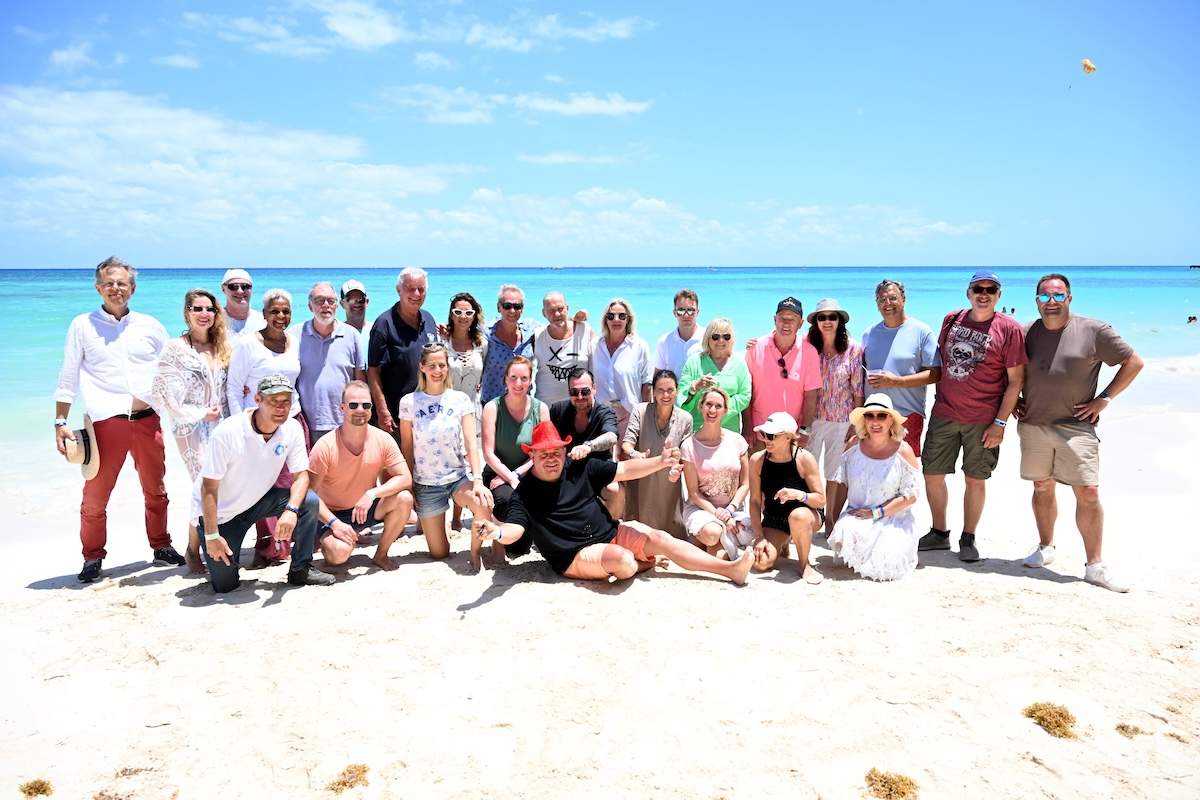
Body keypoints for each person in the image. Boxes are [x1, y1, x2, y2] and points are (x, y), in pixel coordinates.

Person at [473, 421, 755, 585]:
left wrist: (660, 461)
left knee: (661, 538)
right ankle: (645, 562)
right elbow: (516, 529)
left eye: (556, 452)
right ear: (532, 456)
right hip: (573, 555)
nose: (551, 458)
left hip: (611, 533)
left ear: (564, 451)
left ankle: (730, 570)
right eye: (543, 453)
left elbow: (624, 470)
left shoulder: (578, 466)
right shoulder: (525, 492)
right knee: (623, 560)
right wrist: (495, 532)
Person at [55, 257, 183, 583]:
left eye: (122, 283)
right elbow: (68, 376)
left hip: (147, 420)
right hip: (105, 425)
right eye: (109, 283)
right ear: (98, 288)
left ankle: (161, 546)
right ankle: (92, 557)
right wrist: (60, 422)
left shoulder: (150, 325)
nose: (116, 288)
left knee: (156, 491)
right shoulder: (82, 326)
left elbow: (174, 365)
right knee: (96, 496)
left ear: (133, 288)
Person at [1014, 274, 1143, 592]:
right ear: (1037, 302)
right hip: (1033, 424)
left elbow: (1133, 362)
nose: (1051, 302)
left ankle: (1095, 566)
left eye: (1058, 296)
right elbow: (1008, 370)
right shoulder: (1025, 332)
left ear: (1069, 298)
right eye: (1045, 297)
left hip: (1077, 427)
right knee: (1042, 487)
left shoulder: (1094, 330)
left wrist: (1104, 399)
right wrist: (1011, 401)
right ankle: (1046, 548)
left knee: (1088, 492)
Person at [918, 271, 1027, 562]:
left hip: (984, 419)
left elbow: (1016, 380)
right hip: (944, 413)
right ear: (968, 293)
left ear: (999, 295)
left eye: (991, 290)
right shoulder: (952, 320)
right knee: (932, 474)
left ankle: (969, 537)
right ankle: (939, 532)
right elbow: (941, 362)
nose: (984, 294)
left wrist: (1000, 422)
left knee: (975, 478)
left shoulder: (1010, 329)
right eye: (978, 288)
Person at [197, 374, 335, 592]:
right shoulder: (227, 432)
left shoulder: (292, 428)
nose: (281, 408)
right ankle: (198, 547)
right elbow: (208, 488)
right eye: (273, 401)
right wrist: (212, 535)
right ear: (257, 400)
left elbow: (302, 477)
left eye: (286, 401)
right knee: (225, 586)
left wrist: (290, 511)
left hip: (258, 501)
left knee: (308, 501)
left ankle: (301, 569)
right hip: (223, 515)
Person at [152, 288, 232, 574]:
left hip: (222, 426)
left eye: (209, 309)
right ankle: (193, 548)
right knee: (203, 485)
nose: (204, 314)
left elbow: (228, 387)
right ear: (187, 312)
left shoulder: (222, 345)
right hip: (190, 428)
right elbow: (165, 397)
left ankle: (212, 541)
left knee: (221, 485)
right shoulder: (175, 348)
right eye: (197, 308)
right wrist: (200, 414)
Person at [226, 288, 306, 568]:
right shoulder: (249, 344)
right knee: (263, 485)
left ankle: (287, 540)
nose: (281, 316)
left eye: (285, 311)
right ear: (264, 314)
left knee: (290, 483)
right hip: (259, 426)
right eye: (275, 311)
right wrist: (242, 427)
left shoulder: (293, 342)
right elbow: (234, 387)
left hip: (293, 420)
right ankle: (268, 547)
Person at [398, 343, 493, 571]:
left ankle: (474, 550)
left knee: (482, 502)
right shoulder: (408, 402)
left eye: (442, 365)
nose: (438, 370)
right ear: (422, 367)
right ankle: (441, 529)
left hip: (457, 478)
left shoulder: (459, 399)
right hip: (427, 484)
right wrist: (408, 482)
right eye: (432, 365)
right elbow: (407, 447)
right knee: (439, 554)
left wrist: (478, 480)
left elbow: (471, 442)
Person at [308, 381, 415, 571]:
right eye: (353, 405)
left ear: (371, 409)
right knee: (339, 554)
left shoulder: (382, 439)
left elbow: (405, 478)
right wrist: (335, 523)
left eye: (366, 405)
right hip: (332, 514)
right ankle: (329, 542)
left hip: (366, 508)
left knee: (404, 498)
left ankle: (381, 555)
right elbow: (308, 494)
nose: (360, 410)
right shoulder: (325, 446)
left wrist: (371, 494)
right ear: (342, 407)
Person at [827, 394, 922, 581]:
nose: (875, 421)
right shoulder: (853, 445)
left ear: (891, 420)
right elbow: (843, 486)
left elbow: (911, 496)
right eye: (870, 416)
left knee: (885, 566)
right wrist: (834, 519)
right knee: (843, 532)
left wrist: (876, 512)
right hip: (859, 515)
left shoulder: (904, 451)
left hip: (893, 519)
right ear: (864, 420)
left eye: (882, 416)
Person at [861, 279, 942, 456]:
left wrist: (896, 382)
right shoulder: (869, 333)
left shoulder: (922, 331)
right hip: (873, 415)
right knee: (873, 469)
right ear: (877, 305)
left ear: (903, 299)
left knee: (906, 472)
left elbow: (936, 374)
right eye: (882, 300)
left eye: (892, 298)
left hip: (907, 414)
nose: (887, 304)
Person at [804, 298, 864, 538]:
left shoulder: (854, 348)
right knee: (807, 470)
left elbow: (858, 389)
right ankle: (810, 517)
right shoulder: (808, 346)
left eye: (832, 317)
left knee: (834, 474)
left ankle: (830, 521)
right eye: (822, 317)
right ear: (815, 322)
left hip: (842, 420)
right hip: (813, 418)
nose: (827, 321)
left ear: (840, 320)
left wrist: (857, 424)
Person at [481, 356, 549, 558]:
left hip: (528, 472)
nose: (518, 383)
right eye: (513, 377)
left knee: (521, 548)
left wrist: (515, 475)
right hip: (496, 475)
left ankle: (527, 539)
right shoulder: (492, 408)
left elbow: (542, 452)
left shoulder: (541, 409)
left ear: (530, 381)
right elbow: (488, 453)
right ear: (505, 379)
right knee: (505, 499)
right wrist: (509, 478)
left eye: (524, 378)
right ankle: (499, 542)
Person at [746, 412, 825, 582]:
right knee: (760, 563)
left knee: (797, 516)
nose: (766, 439)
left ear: (788, 437)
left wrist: (798, 495)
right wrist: (759, 536)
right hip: (774, 517)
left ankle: (805, 564)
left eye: (771, 436)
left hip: (807, 514)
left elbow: (820, 499)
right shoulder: (757, 460)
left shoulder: (804, 459)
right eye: (763, 434)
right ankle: (782, 543)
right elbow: (754, 501)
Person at [620, 369, 693, 539]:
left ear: (676, 391)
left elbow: (685, 456)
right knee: (639, 531)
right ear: (653, 392)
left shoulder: (686, 419)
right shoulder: (640, 411)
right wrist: (635, 455)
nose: (665, 395)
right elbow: (626, 445)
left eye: (670, 390)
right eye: (660, 390)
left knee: (672, 534)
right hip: (641, 478)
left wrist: (677, 464)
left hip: (669, 482)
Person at [368, 267, 439, 440]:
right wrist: (382, 411)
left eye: (421, 289)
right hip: (396, 417)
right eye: (410, 288)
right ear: (398, 290)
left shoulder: (428, 319)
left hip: (428, 414)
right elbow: (373, 372)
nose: (416, 293)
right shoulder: (384, 324)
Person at [744, 297, 822, 451]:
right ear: (775, 320)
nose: (786, 323)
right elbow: (747, 390)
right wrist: (747, 426)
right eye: (782, 318)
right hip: (760, 434)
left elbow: (811, 394)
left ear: (800, 324)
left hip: (791, 435)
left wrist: (805, 430)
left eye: (792, 319)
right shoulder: (755, 348)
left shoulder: (810, 352)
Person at [293, 282, 366, 444]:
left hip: (345, 422)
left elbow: (360, 381)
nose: (326, 305)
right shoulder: (294, 335)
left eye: (331, 301)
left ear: (337, 306)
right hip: (306, 423)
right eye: (319, 301)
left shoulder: (352, 335)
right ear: (310, 306)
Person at [681, 387, 750, 553]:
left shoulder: (738, 441)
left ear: (726, 410)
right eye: (708, 404)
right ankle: (706, 538)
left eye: (718, 406)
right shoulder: (689, 445)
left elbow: (746, 484)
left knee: (720, 551)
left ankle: (707, 547)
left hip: (734, 509)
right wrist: (721, 516)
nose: (712, 410)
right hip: (702, 509)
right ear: (701, 407)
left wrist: (730, 510)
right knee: (713, 534)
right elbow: (693, 493)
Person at [549, 368, 623, 518]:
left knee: (616, 491)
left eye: (585, 391)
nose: (580, 396)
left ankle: (610, 534)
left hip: (597, 471)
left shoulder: (605, 412)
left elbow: (611, 437)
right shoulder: (558, 410)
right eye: (575, 392)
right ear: (569, 392)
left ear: (594, 389)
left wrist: (588, 447)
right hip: (566, 472)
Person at [591, 298, 653, 441]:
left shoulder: (639, 346)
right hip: (601, 413)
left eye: (622, 316)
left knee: (627, 458)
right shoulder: (595, 345)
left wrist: (645, 417)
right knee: (603, 460)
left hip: (630, 412)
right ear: (605, 320)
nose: (616, 320)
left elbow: (647, 384)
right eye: (611, 316)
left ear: (628, 319)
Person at [679, 317, 751, 433]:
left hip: (729, 431)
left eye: (726, 337)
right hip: (698, 430)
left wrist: (720, 410)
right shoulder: (694, 361)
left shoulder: (739, 363)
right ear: (708, 338)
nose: (721, 341)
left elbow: (745, 396)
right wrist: (695, 386)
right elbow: (681, 397)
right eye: (715, 336)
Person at [479, 284, 537, 404]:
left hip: (523, 403)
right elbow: (463, 336)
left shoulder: (531, 328)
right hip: (493, 403)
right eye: (507, 306)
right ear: (498, 307)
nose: (512, 310)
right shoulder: (486, 332)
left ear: (522, 308)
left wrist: (574, 319)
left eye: (517, 306)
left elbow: (555, 326)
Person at [532, 291, 593, 403]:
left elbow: (601, 363)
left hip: (579, 408)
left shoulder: (584, 330)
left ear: (567, 308)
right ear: (543, 313)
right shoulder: (537, 335)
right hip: (545, 409)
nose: (557, 314)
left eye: (560, 309)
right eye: (551, 310)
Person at [653, 288, 703, 378]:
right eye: (681, 311)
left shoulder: (709, 338)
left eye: (691, 311)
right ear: (674, 313)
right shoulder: (664, 341)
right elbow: (658, 375)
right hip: (673, 392)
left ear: (697, 312)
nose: (686, 315)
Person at [220, 268, 264, 336]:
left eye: (246, 286)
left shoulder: (263, 321)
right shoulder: (214, 320)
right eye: (233, 286)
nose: (240, 291)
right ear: (223, 289)